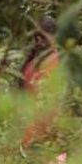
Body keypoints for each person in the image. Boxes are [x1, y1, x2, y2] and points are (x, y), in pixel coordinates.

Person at [21, 16, 61, 150]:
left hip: (38, 128)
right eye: (37, 38)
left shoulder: (49, 60)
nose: (39, 42)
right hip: (32, 126)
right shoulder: (37, 60)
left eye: (43, 38)